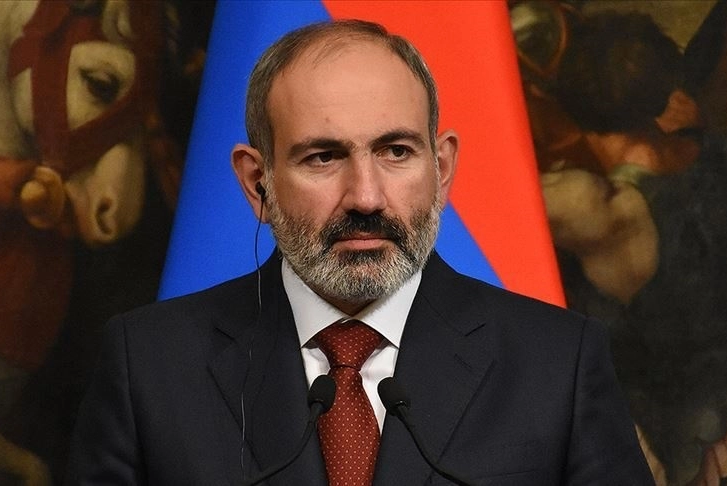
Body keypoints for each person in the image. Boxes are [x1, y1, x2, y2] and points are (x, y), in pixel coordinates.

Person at [65, 19, 654, 485]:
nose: (366, 197)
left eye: (396, 152)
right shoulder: (148, 366)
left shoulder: (559, 364)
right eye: (323, 157)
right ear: (257, 183)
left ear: (442, 169)